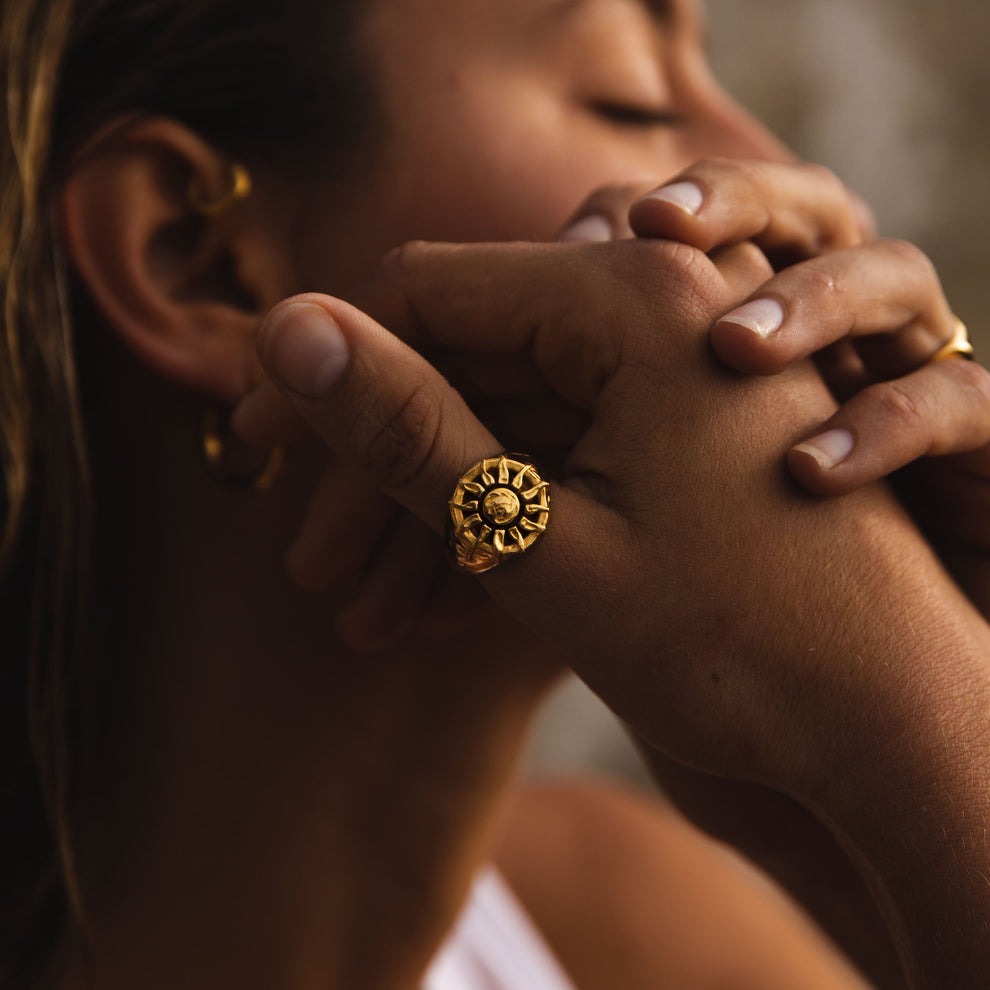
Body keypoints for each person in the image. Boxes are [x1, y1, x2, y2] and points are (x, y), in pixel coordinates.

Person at [3, 0, 989, 988]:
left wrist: (877, 802)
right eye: (630, 96)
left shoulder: (628, 925)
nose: (810, 190)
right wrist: (927, 722)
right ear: (198, 255)